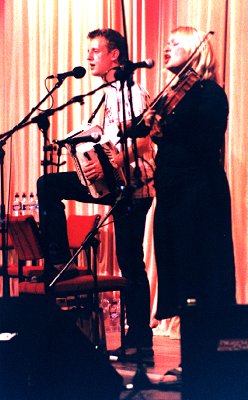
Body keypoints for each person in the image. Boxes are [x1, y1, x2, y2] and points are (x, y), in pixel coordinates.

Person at [37, 28, 155, 359]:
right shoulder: (109, 93)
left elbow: (143, 142)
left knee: (131, 261)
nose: (89, 57)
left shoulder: (132, 90)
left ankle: (141, 339)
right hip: (114, 182)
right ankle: (60, 257)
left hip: (134, 186)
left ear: (114, 54)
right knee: (49, 184)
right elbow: (113, 138)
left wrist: (110, 162)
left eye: (95, 50)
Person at [143, 26, 236, 379]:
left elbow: (205, 140)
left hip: (200, 197)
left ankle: (207, 361)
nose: (166, 47)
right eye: (165, 42)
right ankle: (191, 359)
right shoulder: (170, 99)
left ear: (196, 50)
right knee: (181, 276)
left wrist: (163, 129)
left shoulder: (208, 93)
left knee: (202, 275)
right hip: (173, 196)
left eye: (175, 43)